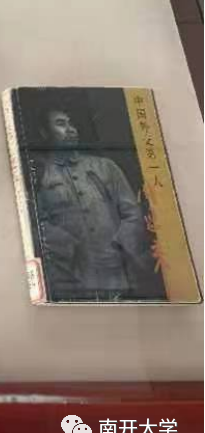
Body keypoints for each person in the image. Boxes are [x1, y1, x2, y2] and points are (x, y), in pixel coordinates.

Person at [34, 107, 164, 298]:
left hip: (118, 268)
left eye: (71, 123)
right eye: (61, 124)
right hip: (71, 274)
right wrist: (68, 247)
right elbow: (37, 221)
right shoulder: (39, 175)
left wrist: (121, 246)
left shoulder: (105, 167)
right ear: (44, 132)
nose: (70, 129)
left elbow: (131, 212)